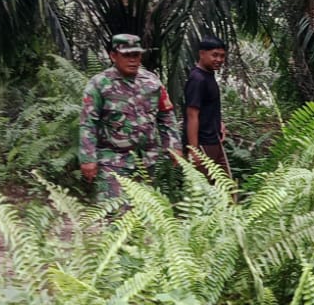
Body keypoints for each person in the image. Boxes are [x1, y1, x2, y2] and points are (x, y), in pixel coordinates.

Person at [78, 34, 181, 200]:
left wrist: (174, 146)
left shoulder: (152, 82)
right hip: (113, 161)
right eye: (126, 55)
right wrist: (88, 158)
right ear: (113, 56)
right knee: (116, 211)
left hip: (147, 161)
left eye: (136, 55)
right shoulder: (99, 85)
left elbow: (166, 116)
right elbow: (88, 123)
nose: (132, 60)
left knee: (145, 211)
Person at [183, 36, 232, 180]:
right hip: (203, 144)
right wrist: (194, 149)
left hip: (214, 140)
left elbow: (209, 106)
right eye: (214, 55)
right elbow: (192, 115)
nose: (219, 59)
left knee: (227, 186)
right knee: (204, 188)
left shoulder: (208, 75)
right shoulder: (197, 79)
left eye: (222, 56)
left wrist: (219, 123)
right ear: (202, 54)